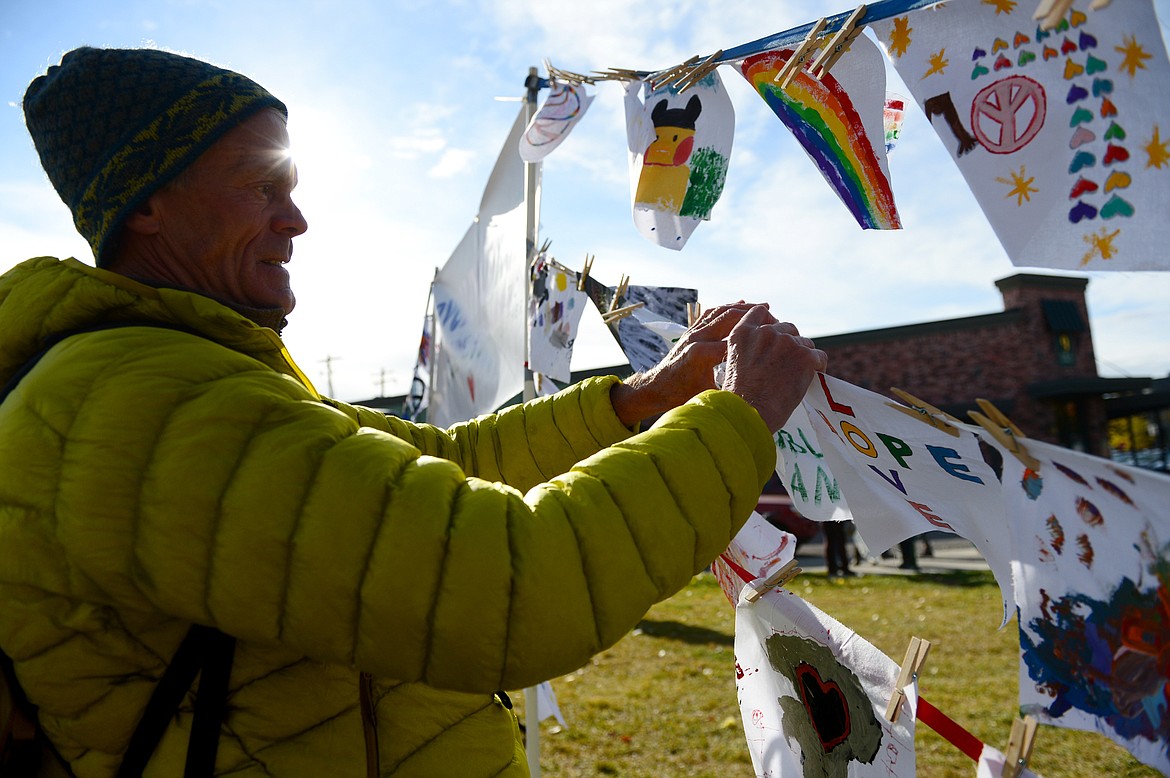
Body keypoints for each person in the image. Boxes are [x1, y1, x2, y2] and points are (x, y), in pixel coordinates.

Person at [0, 47, 827, 777]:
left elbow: (441, 463)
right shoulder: (148, 404)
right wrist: (735, 419)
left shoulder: (172, 374)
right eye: (260, 188)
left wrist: (637, 399)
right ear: (146, 206)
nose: (296, 220)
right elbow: (506, 589)